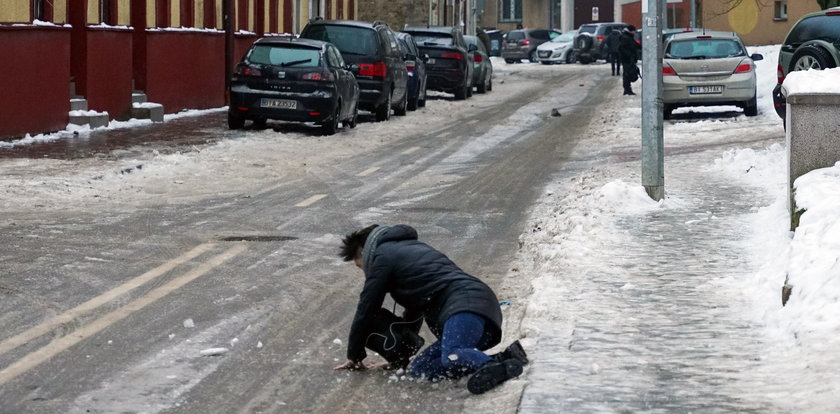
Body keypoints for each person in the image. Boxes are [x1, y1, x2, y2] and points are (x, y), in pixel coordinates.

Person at [334, 224, 528, 394]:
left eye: (361, 267)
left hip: (465, 305)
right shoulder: (404, 252)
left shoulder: (382, 256)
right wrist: (401, 357)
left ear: (365, 252)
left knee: (453, 355)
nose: (365, 273)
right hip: (475, 311)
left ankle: (491, 367)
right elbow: (413, 313)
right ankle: (506, 358)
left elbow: (366, 307)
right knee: (421, 369)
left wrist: (354, 356)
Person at [618, 25, 642, 95]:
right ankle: (627, 89)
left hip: (628, 59)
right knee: (627, 74)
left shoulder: (628, 37)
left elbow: (634, 45)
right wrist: (630, 55)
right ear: (631, 31)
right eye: (634, 31)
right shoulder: (626, 38)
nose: (634, 33)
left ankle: (627, 89)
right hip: (627, 59)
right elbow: (623, 48)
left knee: (627, 74)